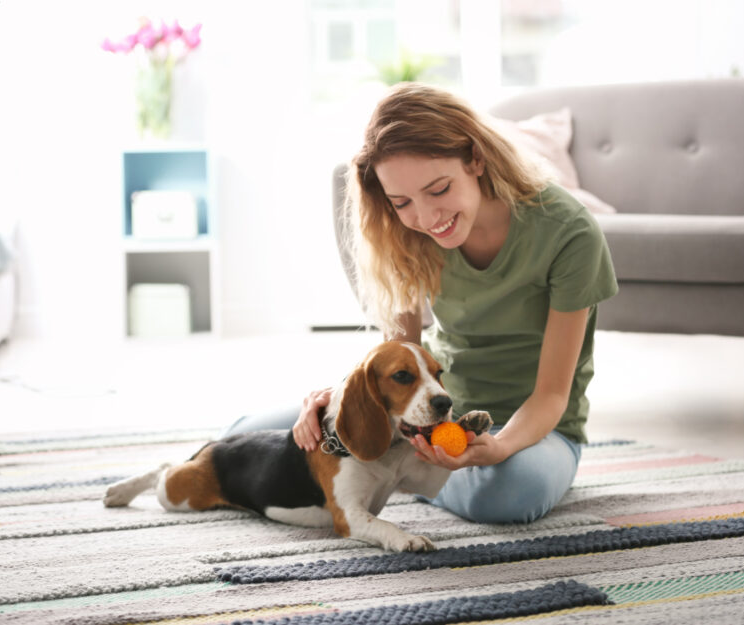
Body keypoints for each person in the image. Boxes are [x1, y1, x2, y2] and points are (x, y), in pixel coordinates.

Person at [224, 82, 617, 524]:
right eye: (402, 202)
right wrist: (339, 400)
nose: (427, 218)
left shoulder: (569, 232)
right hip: (426, 412)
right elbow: (399, 351)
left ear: (475, 158)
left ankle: (404, 477)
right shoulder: (406, 231)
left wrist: (500, 447)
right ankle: (413, 473)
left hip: (535, 431)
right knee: (242, 438)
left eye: (439, 189)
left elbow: (551, 396)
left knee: (510, 494)